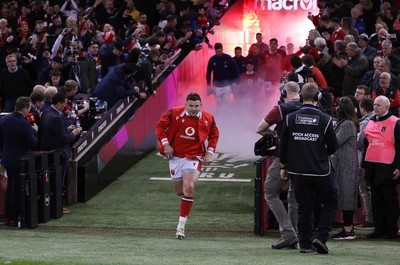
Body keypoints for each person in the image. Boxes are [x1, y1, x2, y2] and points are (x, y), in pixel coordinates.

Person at [279, 82, 339, 254]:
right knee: (331, 201)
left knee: (304, 207)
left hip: (298, 171)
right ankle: (320, 236)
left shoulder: (290, 118)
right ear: (318, 98)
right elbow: (333, 147)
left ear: (300, 97)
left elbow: (284, 146)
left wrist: (283, 166)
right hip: (321, 170)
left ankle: (305, 244)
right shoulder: (326, 119)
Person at [155, 93, 219, 239]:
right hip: (175, 157)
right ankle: (186, 202)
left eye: (197, 106)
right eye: (191, 105)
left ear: (201, 105)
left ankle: (181, 226)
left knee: (189, 187)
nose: (194, 108)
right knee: (180, 192)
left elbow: (214, 134)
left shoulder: (208, 118)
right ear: (186, 104)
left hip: (194, 157)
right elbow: (159, 127)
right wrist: (166, 144)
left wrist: (210, 152)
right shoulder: (174, 113)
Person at [255, 81, 302, 249]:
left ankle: (289, 234)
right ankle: (294, 233)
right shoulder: (306, 108)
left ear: (283, 93)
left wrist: (276, 133)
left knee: (270, 193)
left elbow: (260, 129)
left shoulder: (280, 109)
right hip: (304, 158)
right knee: (294, 198)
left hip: (284, 156)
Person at [363, 95, 400, 239]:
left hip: (388, 166)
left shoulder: (395, 122)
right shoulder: (371, 121)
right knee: (376, 200)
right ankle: (379, 229)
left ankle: (391, 230)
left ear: (386, 106)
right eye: (374, 105)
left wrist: (399, 166)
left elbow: (399, 146)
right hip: (373, 166)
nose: (375, 107)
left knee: (389, 200)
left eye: (378, 105)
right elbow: (366, 144)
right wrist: (364, 165)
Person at [40, 92, 82, 214]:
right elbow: (64, 139)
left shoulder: (47, 112)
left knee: (53, 180)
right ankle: (57, 206)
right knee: (58, 181)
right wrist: (74, 133)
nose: (66, 106)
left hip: (50, 151)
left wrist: (66, 129)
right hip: (59, 153)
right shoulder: (56, 117)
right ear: (58, 104)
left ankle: (54, 205)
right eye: (64, 103)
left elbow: (53, 132)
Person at [0, 97, 38, 226]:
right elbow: (33, 142)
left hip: (6, 158)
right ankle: (14, 217)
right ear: (25, 108)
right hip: (19, 160)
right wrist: (35, 131)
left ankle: (8, 216)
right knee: (16, 189)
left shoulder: (5, 119)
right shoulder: (23, 123)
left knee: (10, 188)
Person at [331, 97, 360, 240]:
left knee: (347, 196)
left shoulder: (347, 124)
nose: (336, 109)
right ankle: (347, 228)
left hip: (346, 166)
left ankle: (348, 230)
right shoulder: (344, 123)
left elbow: (335, 142)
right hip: (342, 164)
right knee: (344, 196)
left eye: (338, 106)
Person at [354, 97, 375, 230]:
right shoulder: (373, 120)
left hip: (363, 160)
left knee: (364, 190)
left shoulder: (365, 122)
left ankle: (370, 219)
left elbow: (359, 142)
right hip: (372, 159)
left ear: (362, 109)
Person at [206, 43, 240, 111]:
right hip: (216, 86)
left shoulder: (228, 58)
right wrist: (208, 85)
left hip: (227, 85)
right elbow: (208, 73)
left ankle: (228, 117)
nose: (218, 53)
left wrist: (236, 82)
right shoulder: (212, 59)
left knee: (227, 102)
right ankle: (219, 117)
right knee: (219, 104)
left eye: (219, 51)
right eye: (216, 52)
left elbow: (236, 70)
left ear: (222, 49)